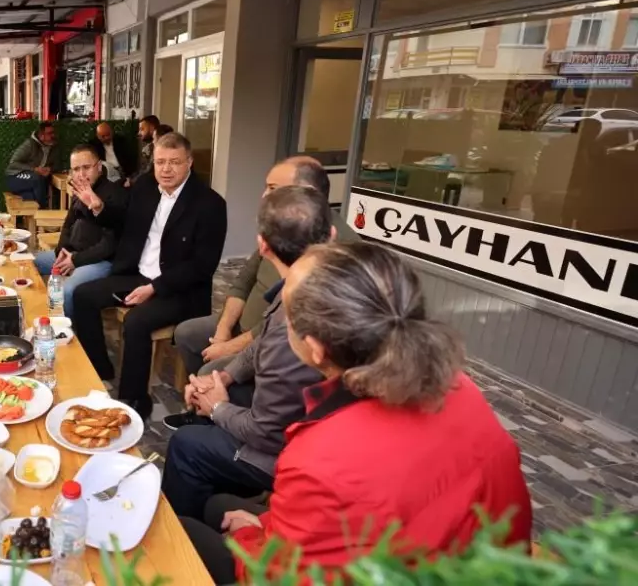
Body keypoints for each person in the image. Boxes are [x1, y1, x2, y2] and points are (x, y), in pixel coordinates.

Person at [183, 243, 532, 585]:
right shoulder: (461, 388)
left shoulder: (318, 456)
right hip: (465, 561)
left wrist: (250, 537)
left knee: (189, 531)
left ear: (316, 349)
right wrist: (271, 527)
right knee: (218, 507)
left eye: (287, 314)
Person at [161, 186, 332, 522]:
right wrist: (223, 376)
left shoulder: (299, 319)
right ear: (331, 235)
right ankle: (218, 488)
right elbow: (259, 343)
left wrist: (218, 408)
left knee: (186, 445)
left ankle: (187, 544)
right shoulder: (312, 284)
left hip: (296, 454)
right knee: (216, 398)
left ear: (263, 246)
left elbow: (266, 434)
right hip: (301, 423)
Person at [167, 156, 360, 431]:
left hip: (276, 346)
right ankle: (203, 409)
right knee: (187, 333)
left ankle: (219, 419)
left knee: (210, 372)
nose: (264, 195)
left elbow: (279, 329)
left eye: (272, 188)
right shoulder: (281, 229)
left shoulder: (338, 252)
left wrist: (229, 349)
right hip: (253, 331)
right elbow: (243, 281)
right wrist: (223, 329)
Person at [70, 132, 227, 417]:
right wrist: (98, 207)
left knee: (136, 323)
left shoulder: (210, 204)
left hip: (180, 289)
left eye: (174, 162)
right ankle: (99, 369)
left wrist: (156, 287)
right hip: (137, 273)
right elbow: (121, 218)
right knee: (83, 295)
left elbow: (202, 266)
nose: (166, 169)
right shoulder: (145, 187)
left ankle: (133, 403)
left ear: (189, 163)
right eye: (160, 162)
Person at [32, 144, 125, 317]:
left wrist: (75, 260)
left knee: (68, 291)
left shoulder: (116, 194)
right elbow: (68, 225)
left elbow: (109, 245)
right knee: (30, 263)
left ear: (99, 167)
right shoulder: (79, 191)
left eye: (86, 167)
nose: (81, 174)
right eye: (76, 169)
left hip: (100, 262)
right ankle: (36, 315)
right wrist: (62, 250)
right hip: (73, 254)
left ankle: (67, 336)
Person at [5, 121, 58, 208]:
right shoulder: (29, 144)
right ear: (41, 136)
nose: (53, 135)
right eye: (50, 133)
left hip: (35, 181)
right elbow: (13, 163)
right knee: (37, 178)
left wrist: (49, 169)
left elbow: (57, 164)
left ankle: (32, 217)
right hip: (14, 177)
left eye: (53, 132)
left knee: (30, 197)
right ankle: (41, 212)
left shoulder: (53, 146)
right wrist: (34, 169)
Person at [135, 114, 160, 180]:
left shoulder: (158, 149)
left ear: (152, 128)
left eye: (142, 129)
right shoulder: (147, 147)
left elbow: (147, 172)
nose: (139, 133)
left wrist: (131, 182)